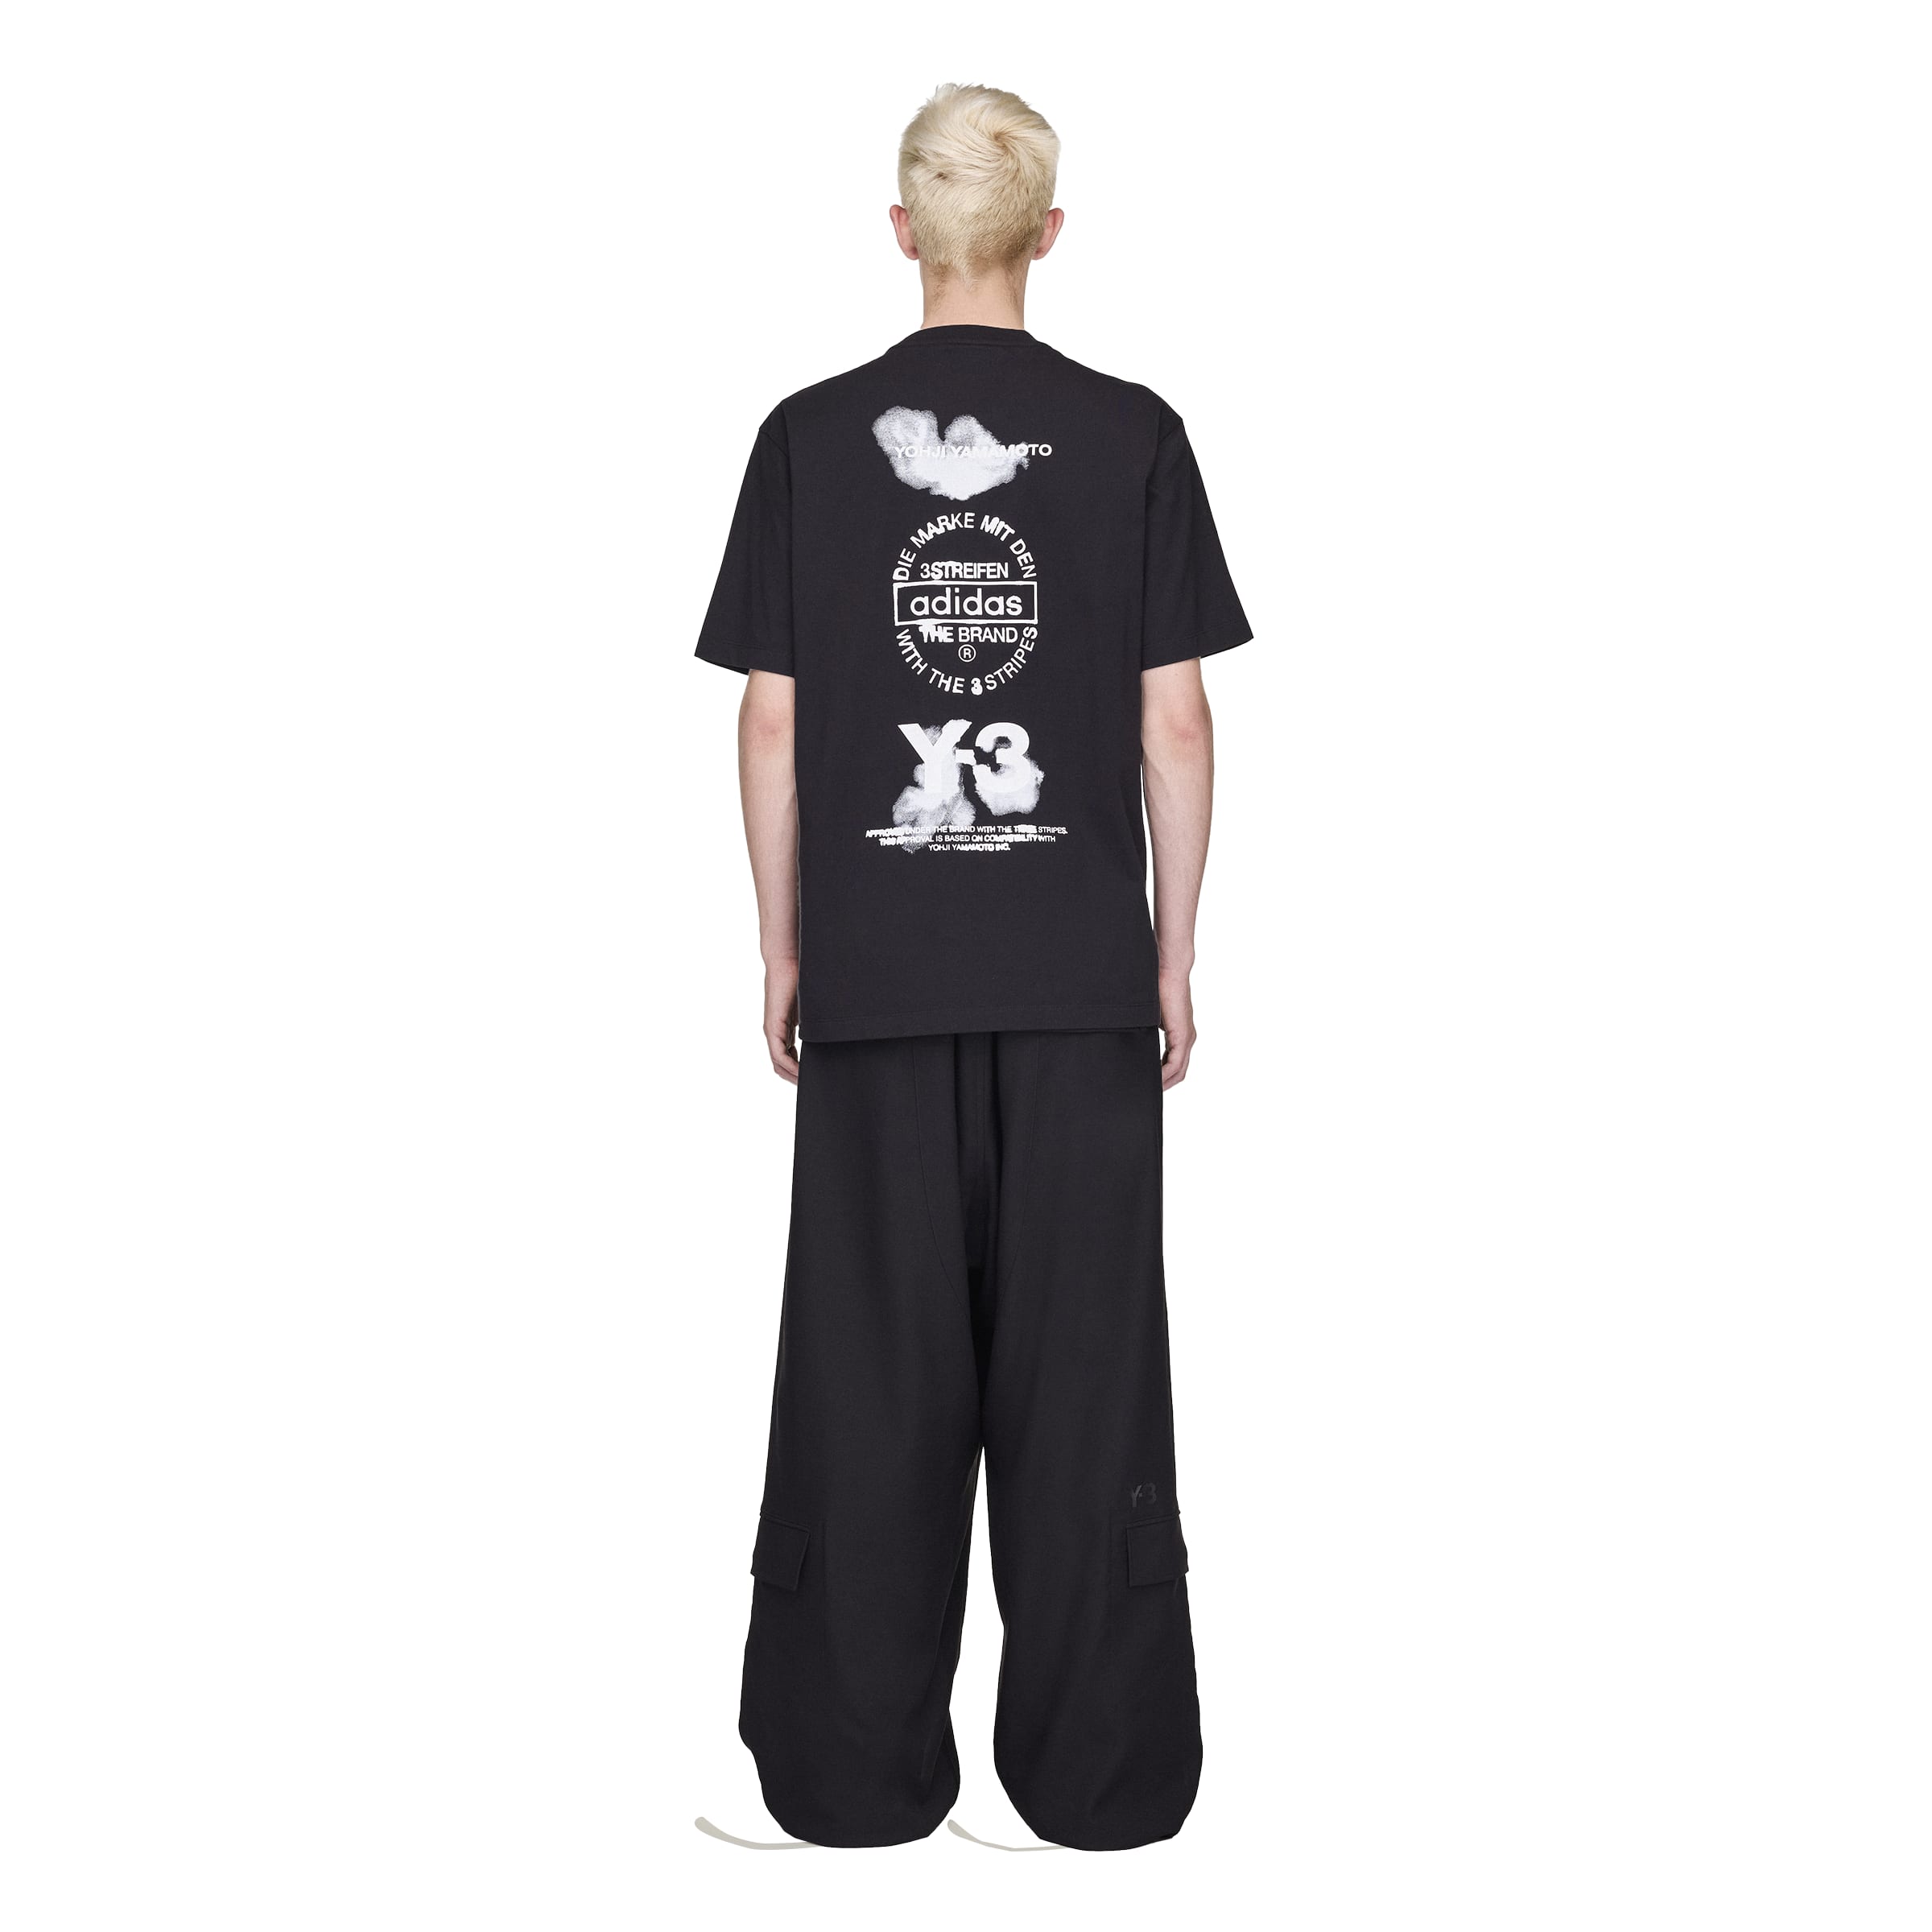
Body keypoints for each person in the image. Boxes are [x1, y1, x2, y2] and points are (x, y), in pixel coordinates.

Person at [694, 82, 1251, 1852]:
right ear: (1049, 236)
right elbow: (1175, 720)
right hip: (1080, 992)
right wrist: (1171, 955)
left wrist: (785, 943)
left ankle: (847, 1783)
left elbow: (772, 724)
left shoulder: (806, 439)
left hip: (880, 984)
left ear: (903, 234)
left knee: (868, 1381)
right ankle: (1098, 1787)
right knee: (1087, 1387)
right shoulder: (1135, 435)